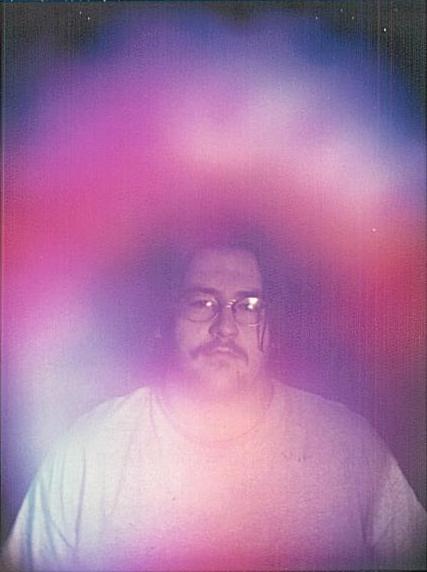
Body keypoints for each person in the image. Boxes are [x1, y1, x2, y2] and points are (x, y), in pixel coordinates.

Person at [2, 226, 426, 571]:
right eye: (202, 302)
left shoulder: (349, 447)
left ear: (273, 326)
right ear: (167, 319)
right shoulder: (88, 451)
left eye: (248, 305)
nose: (225, 327)